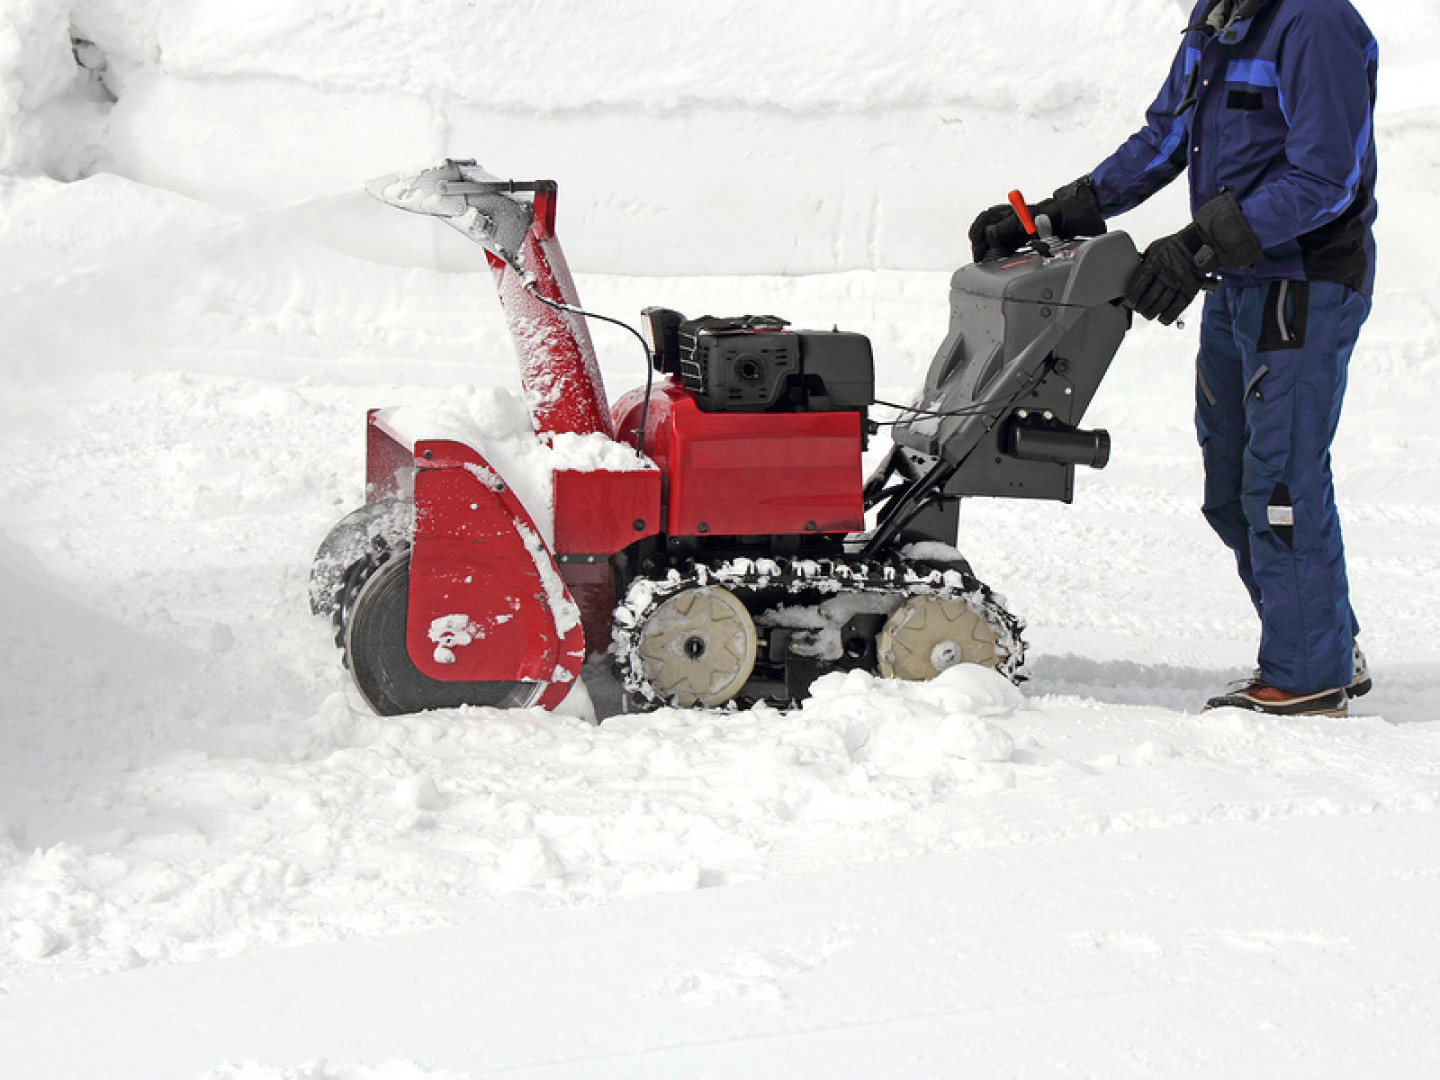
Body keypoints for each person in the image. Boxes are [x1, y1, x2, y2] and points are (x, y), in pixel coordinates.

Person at [970, 0, 1378, 717]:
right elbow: (1166, 138)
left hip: (1302, 284)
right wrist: (1056, 215)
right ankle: (1323, 639)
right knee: (1229, 484)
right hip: (1235, 279)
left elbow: (1325, 179)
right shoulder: (1217, 16)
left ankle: (1309, 673)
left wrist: (1194, 250)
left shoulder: (1314, 23)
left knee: (1279, 480)